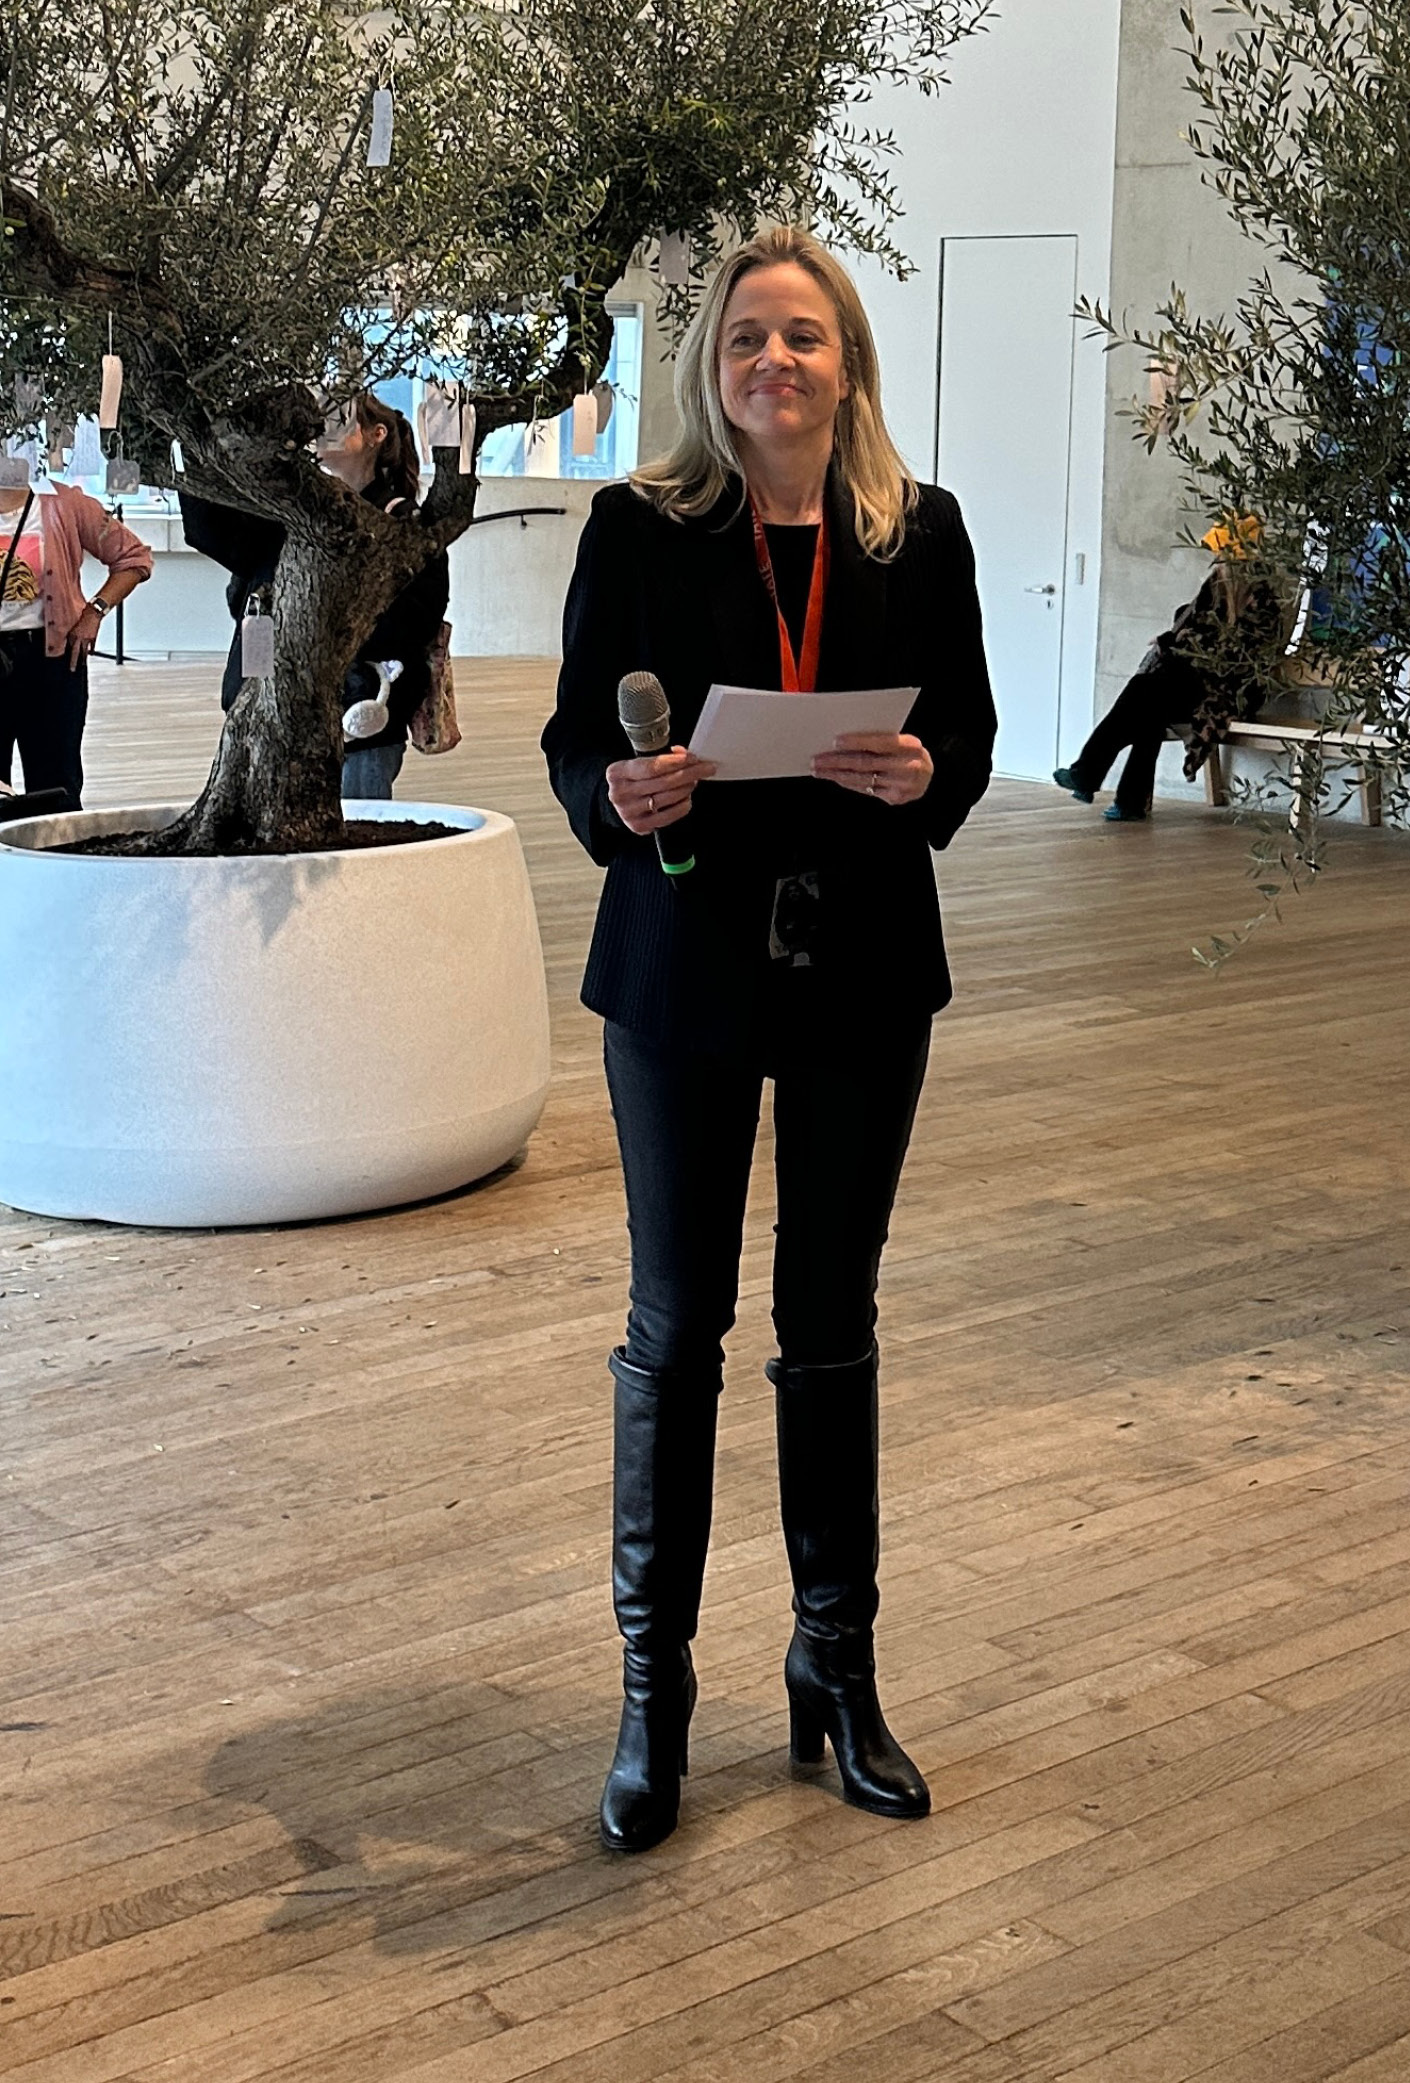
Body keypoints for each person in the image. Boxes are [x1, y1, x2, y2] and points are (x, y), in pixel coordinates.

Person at [540, 224, 997, 1855]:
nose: (774, 365)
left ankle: (837, 1662)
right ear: (709, 369)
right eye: (747, 342)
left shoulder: (916, 532)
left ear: (845, 363)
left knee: (834, 1320)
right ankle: (652, 1694)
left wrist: (926, 771)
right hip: (685, 971)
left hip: (863, 964)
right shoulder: (640, 528)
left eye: (804, 339)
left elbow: (974, 729)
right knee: (679, 1324)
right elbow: (577, 734)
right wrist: (622, 792)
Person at [178, 392, 449, 798]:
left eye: (341, 418)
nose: (325, 430)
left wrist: (324, 629)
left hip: (357, 714)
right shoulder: (292, 507)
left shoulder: (400, 522)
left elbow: (417, 618)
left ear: (376, 435)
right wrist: (190, 449)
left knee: (352, 836)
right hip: (270, 704)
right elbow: (218, 537)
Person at [1055, 558, 1280, 821]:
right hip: (1191, 687)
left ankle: (1091, 776)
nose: (1219, 568)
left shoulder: (1262, 608)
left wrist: (1171, 642)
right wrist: (1173, 641)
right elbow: (1192, 633)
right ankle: (1124, 799)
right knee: (1149, 707)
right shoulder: (1214, 591)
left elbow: (1227, 657)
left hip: (1227, 695)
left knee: (1146, 693)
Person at [0, 463, 153, 803]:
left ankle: (57, 854)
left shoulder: (63, 503)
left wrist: (94, 612)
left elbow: (134, 558)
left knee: (55, 783)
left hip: (53, 661)